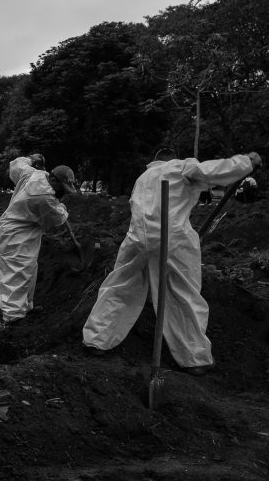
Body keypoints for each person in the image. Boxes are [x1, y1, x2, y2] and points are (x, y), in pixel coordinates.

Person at [82, 148, 261, 376]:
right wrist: (246, 162)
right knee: (181, 294)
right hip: (171, 237)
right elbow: (210, 171)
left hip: (137, 238)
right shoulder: (179, 167)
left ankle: (97, 339)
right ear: (171, 159)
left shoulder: (143, 178)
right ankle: (194, 358)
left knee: (120, 287)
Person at [0, 157, 77, 324]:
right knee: (16, 272)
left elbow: (17, 165)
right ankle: (12, 318)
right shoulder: (44, 197)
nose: (64, 192)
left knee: (29, 269)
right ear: (53, 180)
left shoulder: (34, 174)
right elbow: (57, 219)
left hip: (24, 229)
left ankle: (25, 307)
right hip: (15, 234)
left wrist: (30, 158)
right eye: (63, 188)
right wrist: (62, 208)